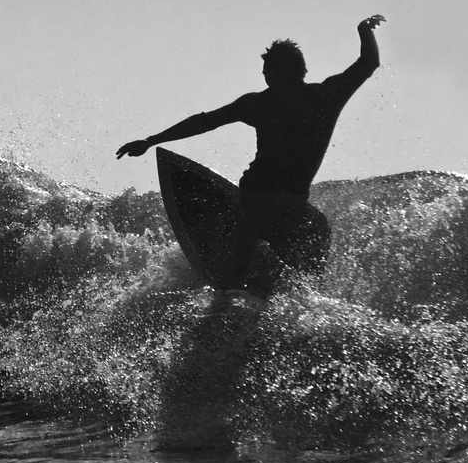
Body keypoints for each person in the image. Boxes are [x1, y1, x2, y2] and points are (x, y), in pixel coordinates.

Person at [116, 15, 385, 294]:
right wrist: (364, 32)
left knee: (280, 225)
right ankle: (295, 290)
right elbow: (368, 63)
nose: (264, 77)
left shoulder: (261, 104)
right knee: (306, 227)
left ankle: (248, 279)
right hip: (279, 201)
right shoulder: (325, 96)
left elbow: (206, 121)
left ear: (284, 72)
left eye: (268, 71)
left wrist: (151, 141)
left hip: (261, 197)